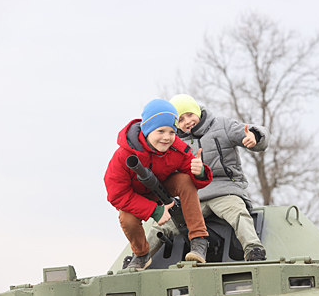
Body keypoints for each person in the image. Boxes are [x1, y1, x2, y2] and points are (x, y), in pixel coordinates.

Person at [104, 99, 212, 270]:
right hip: (136, 197)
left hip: (163, 188)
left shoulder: (176, 148)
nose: (167, 137)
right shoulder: (123, 156)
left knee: (185, 180)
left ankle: (199, 240)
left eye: (172, 132)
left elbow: (194, 175)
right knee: (127, 218)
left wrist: (200, 172)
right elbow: (116, 194)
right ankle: (141, 255)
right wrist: (154, 210)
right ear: (147, 130)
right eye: (160, 131)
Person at [169, 93, 269, 261]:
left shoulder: (221, 125)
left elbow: (252, 132)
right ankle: (139, 257)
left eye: (190, 115)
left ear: (198, 112)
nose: (187, 121)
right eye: (181, 119)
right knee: (165, 222)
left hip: (225, 189)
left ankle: (254, 250)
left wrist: (254, 136)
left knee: (238, 214)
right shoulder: (175, 143)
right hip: (195, 195)